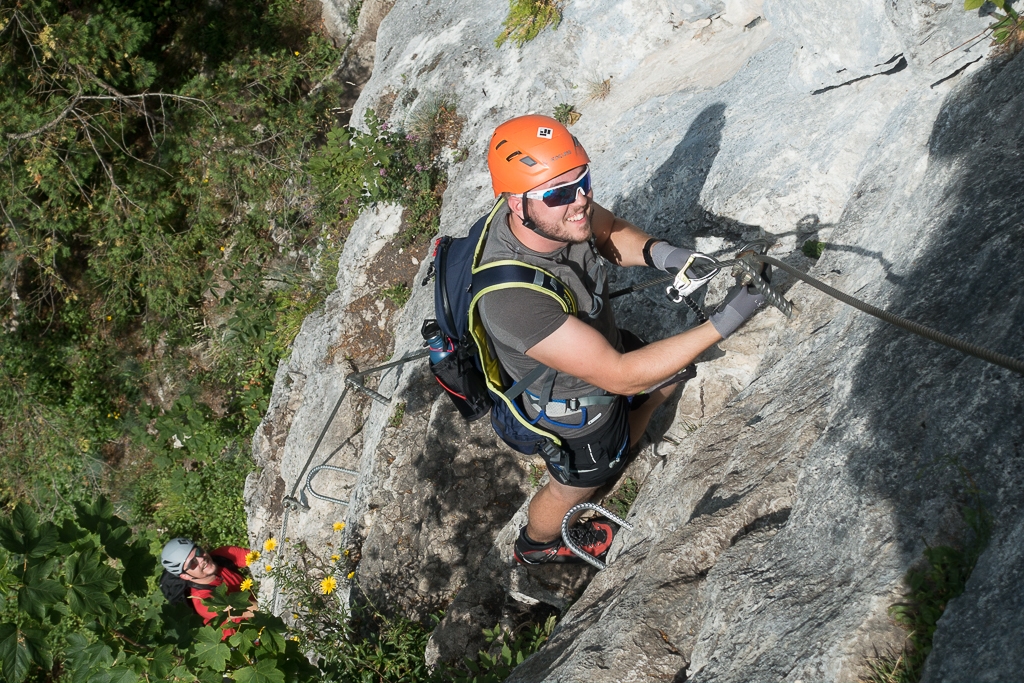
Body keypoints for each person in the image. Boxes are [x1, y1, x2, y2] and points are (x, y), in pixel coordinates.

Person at [478, 115, 767, 565]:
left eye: (583, 181)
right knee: (581, 477)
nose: (580, 201)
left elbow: (605, 228)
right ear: (516, 204)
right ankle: (537, 546)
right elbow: (621, 376)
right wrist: (725, 321)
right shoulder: (511, 299)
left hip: (598, 347)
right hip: (576, 408)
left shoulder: (552, 216)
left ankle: (646, 409)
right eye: (559, 193)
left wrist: (666, 256)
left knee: (658, 384)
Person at [160, 538, 256, 637]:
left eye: (198, 552)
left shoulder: (222, 557)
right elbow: (244, 609)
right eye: (192, 563)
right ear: (185, 576)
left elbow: (259, 557)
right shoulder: (203, 600)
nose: (201, 559)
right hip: (244, 638)